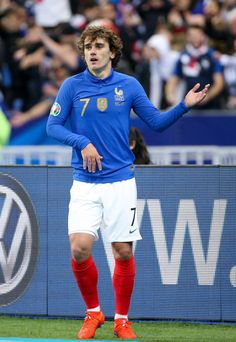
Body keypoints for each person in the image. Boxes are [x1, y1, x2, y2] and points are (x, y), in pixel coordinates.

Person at [46, 25, 209, 340]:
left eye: (98, 46)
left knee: (122, 251)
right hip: (84, 182)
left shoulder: (129, 86)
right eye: (87, 47)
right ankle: (93, 312)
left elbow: (157, 123)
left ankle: (122, 320)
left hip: (121, 181)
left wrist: (184, 105)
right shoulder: (71, 86)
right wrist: (81, 142)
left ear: (112, 52)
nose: (92, 51)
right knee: (80, 249)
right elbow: (53, 125)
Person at [166, 24, 224, 109]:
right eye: (192, 35)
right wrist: (170, 94)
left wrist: (207, 96)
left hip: (211, 104)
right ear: (188, 37)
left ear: (203, 36)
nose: (195, 38)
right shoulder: (183, 55)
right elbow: (173, 78)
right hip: (190, 102)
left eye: (197, 35)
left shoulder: (212, 55)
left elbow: (219, 82)